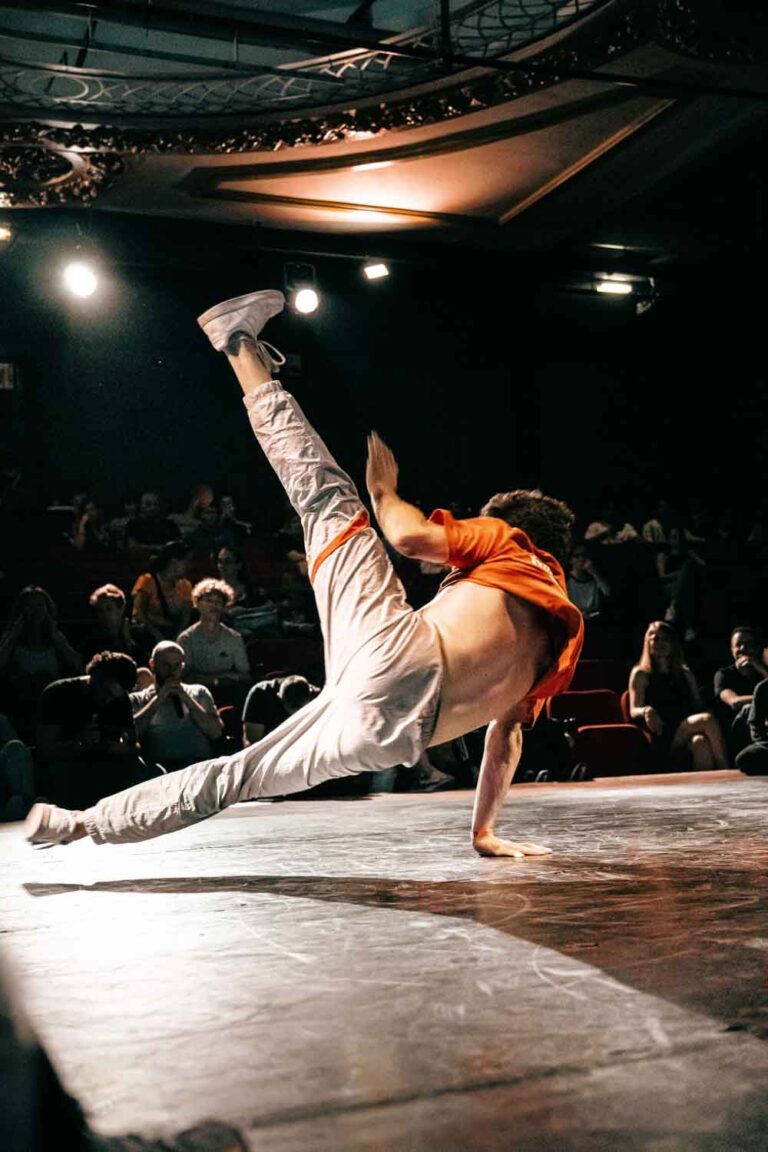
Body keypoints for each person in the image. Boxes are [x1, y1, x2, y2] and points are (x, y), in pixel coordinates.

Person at [26, 289, 583, 857]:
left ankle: (238, 346)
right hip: (385, 738)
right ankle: (81, 823)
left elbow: (410, 537)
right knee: (235, 777)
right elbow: (505, 734)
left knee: (328, 499)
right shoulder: (563, 638)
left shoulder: (513, 544)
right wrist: (484, 831)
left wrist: (387, 493)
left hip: (398, 659)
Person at [35, 651, 157, 809]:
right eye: (105, 692)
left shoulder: (119, 699)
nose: (107, 700)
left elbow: (134, 745)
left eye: (113, 696)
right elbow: (45, 750)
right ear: (96, 677)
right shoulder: (57, 694)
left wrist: (113, 747)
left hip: (105, 762)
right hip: (68, 764)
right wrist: (80, 742)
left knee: (149, 774)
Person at [628, 621, 729, 771]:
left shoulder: (684, 673)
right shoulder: (641, 674)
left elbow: (698, 705)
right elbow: (633, 709)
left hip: (686, 726)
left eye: (665, 639)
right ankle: (727, 770)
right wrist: (646, 710)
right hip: (663, 731)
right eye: (655, 639)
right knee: (706, 719)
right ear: (648, 643)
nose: (660, 643)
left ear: (673, 644)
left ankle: (706, 792)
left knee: (700, 743)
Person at [129, 641, 223, 772]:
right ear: (153, 665)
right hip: (161, 771)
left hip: (200, 767)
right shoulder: (137, 699)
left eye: (177, 665)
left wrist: (186, 698)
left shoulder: (199, 692)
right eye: (165, 665)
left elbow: (216, 732)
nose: (172, 671)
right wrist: (159, 698)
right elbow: (131, 734)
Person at [177, 579, 251, 704]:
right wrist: (216, 680)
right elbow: (184, 677)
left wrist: (220, 681)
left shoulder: (234, 638)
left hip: (228, 693)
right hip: (195, 696)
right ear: (197, 603)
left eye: (218, 602)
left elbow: (244, 675)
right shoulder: (186, 639)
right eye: (209, 601)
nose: (214, 605)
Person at [130, 540, 193, 655]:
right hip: (149, 632)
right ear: (174, 563)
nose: (188, 566)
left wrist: (177, 638)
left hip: (173, 631)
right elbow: (140, 613)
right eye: (186, 562)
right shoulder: (147, 581)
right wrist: (157, 634)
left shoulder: (185, 585)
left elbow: (185, 617)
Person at [714, 626, 768, 751]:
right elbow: (734, 702)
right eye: (738, 645)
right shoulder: (723, 675)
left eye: (749, 644)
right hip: (739, 732)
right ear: (732, 649)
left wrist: (761, 669)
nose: (743, 648)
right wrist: (762, 699)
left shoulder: (763, 671)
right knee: (748, 709)